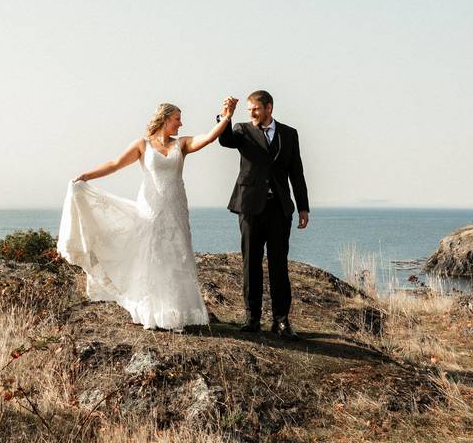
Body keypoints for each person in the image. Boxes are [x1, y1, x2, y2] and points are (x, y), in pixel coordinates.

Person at [57, 99, 238, 331]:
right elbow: (115, 164)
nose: (181, 124)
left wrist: (226, 116)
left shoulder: (181, 144)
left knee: (176, 255)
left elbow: (209, 137)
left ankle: (175, 312)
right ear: (164, 119)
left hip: (175, 207)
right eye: (177, 119)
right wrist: (86, 176)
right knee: (152, 255)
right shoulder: (143, 145)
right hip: (150, 208)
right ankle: (150, 312)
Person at [218, 90, 309, 340]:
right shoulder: (241, 130)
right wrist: (226, 116)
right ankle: (252, 318)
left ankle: (281, 320)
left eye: (255, 109)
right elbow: (225, 141)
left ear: (269, 107)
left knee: (279, 264)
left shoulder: (289, 134)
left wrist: (303, 207)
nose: (252, 113)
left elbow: (296, 172)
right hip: (249, 207)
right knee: (251, 263)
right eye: (249, 110)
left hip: (279, 208)